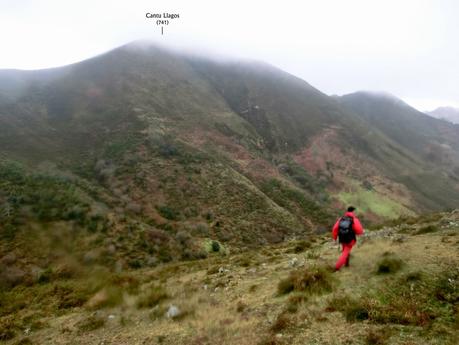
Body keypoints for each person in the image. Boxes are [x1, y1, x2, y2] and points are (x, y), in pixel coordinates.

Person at [332, 206, 364, 271]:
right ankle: (337, 267)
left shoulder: (341, 219)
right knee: (345, 252)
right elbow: (360, 231)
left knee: (345, 250)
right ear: (353, 211)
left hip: (342, 238)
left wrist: (335, 238)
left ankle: (347, 264)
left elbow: (334, 229)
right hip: (350, 239)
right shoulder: (354, 219)